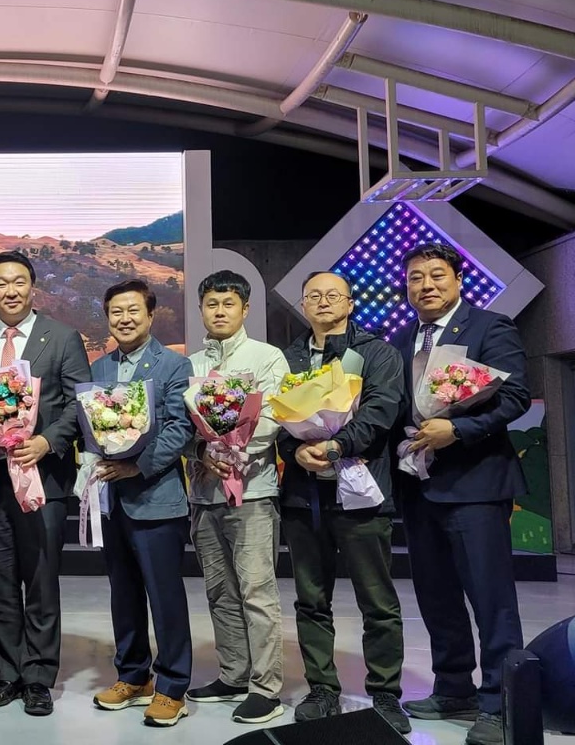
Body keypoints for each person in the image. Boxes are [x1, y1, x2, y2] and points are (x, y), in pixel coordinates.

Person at [393, 243, 529, 745]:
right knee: (436, 596)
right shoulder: (401, 339)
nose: (425, 285)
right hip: (419, 486)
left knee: (491, 599)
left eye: (436, 275)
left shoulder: (490, 327)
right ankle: (453, 687)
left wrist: (459, 430)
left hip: (475, 485)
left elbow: (514, 396)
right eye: (415, 278)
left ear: (457, 280)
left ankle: (501, 703)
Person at [0, 250, 91, 717]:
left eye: (18, 282)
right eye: (0, 283)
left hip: (43, 481)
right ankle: (8, 674)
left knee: (41, 581)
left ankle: (38, 677)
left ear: (33, 287)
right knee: (0, 584)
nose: (10, 291)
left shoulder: (63, 337)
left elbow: (78, 403)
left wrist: (47, 442)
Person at [277, 271, 408, 733]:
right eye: (313, 295)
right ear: (303, 305)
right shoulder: (288, 358)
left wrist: (335, 446)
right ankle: (322, 689)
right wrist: (295, 450)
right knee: (311, 600)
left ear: (350, 303)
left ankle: (386, 694)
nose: (323, 301)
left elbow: (381, 411)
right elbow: (273, 419)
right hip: (303, 497)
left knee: (378, 602)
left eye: (333, 295)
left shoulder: (377, 353)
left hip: (362, 494)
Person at [182, 270, 289, 724]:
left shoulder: (267, 357)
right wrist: (202, 451)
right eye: (212, 304)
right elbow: (181, 426)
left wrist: (230, 448)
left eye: (228, 304)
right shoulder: (190, 365)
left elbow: (275, 415)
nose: (219, 311)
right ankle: (233, 673)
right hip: (204, 493)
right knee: (220, 591)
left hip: (254, 492)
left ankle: (266, 688)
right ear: (201, 310)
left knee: (257, 591)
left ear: (245, 309)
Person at [87, 281, 195, 728]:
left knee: (164, 596)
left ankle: (172, 686)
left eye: (133, 310)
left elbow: (180, 428)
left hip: (157, 498)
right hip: (113, 499)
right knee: (124, 593)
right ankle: (133, 676)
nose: (124, 319)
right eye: (116, 311)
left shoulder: (174, 364)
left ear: (150, 315)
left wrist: (138, 467)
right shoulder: (99, 367)